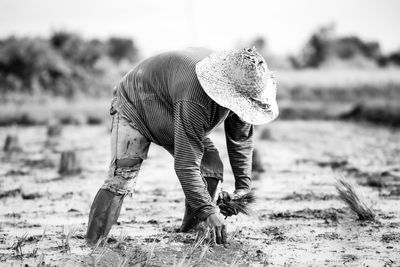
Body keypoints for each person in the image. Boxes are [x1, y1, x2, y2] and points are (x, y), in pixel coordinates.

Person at [86, 47, 278, 246]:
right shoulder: (196, 98)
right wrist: (208, 209)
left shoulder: (245, 89)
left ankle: (189, 234)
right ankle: (92, 244)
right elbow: (186, 165)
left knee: (210, 166)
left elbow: (241, 141)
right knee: (122, 176)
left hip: (171, 108)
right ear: (226, 88)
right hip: (135, 102)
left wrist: (243, 189)